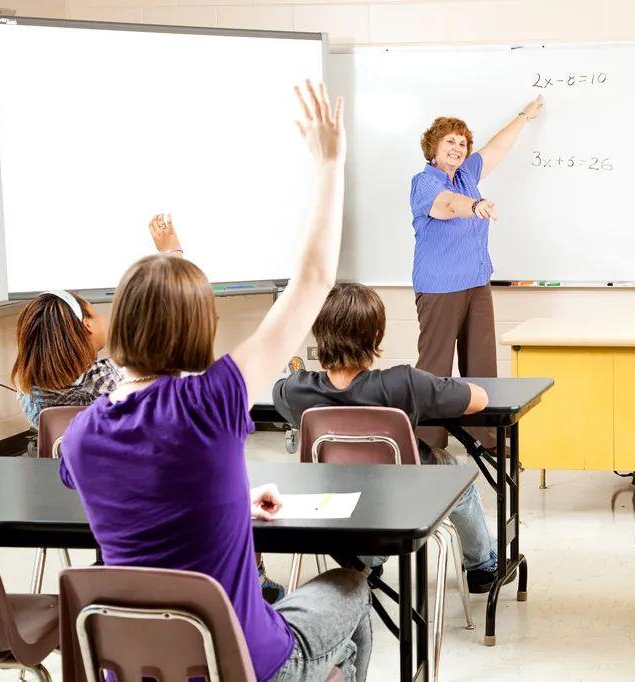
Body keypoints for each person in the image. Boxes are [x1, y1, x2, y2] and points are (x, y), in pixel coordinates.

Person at [60, 80, 372, 681]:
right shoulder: (212, 401)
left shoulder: (80, 435)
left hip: (139, 670)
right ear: (202, 328)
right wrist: (330, 165)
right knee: (351, 587)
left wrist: (227, 500)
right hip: (243, 664)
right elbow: (313, 279)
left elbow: (147, 493)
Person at [272, 282, 507, 593]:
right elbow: (478, 399)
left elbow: (276, 392)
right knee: (456, 473)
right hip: (403, 507)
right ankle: (482, 565)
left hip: (336, 511)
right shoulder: (405, 384)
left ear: (320, 335)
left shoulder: (295, 390)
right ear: (375, 335)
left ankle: (365, 562)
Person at [409, 96, 544, 450]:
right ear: (433, 147)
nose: (457, 147)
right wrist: (475, 205)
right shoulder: (424, 182)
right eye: (450, 141)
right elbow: (447, 206)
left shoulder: (467, 174)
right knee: (435, 368)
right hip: (440, 287)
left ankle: (486, 437)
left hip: (476, 283)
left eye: (462, 143)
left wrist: (524, 116)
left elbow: (497, 147)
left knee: (482, 365)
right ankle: (427, 444)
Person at [11, 214, 181, 428]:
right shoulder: (112, 380)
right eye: (95, 311)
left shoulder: (31, 393)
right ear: (87, 324)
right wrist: (172, 253)